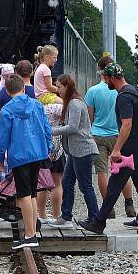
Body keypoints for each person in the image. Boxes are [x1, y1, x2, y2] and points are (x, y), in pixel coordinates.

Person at [77, 63, 138, 236]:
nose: (106, 81)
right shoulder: (133, 90)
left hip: (130, 149)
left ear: (112, 78)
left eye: (107, 78)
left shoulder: (124, 97)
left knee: (115, 185)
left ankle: (98, 223)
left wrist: (117, 149)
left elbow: (127, 124)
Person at [0, 74, 52, 249]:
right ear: (23, 88)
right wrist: (47, 148)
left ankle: (29, 236)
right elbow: (47, 129)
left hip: (19, 156)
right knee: (32, 193)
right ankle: (32, 230)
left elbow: (2, 137)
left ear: (7, 90)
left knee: (24, 194)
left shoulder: (7, 110)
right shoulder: (37, 105)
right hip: (38, 154)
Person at [85, 56, 135, 218]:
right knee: (122, 171)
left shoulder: (92, 91)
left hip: (98, 135)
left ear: (99, 70)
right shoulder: (119, 91)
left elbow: (90, 117)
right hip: (118, 135)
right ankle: (129, 205)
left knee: (102, 173)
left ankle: (109, 209)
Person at [50, 74, 99, 229]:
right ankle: (66, 217)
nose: (57, 90)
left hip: (83, 150)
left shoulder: (74, 104)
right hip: (75, 151)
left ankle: (95, 219)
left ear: (67, 86)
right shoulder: (73, 102)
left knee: (85, 186)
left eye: (59, 87)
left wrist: (51, 131)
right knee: (67, 182)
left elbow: (73, 127)